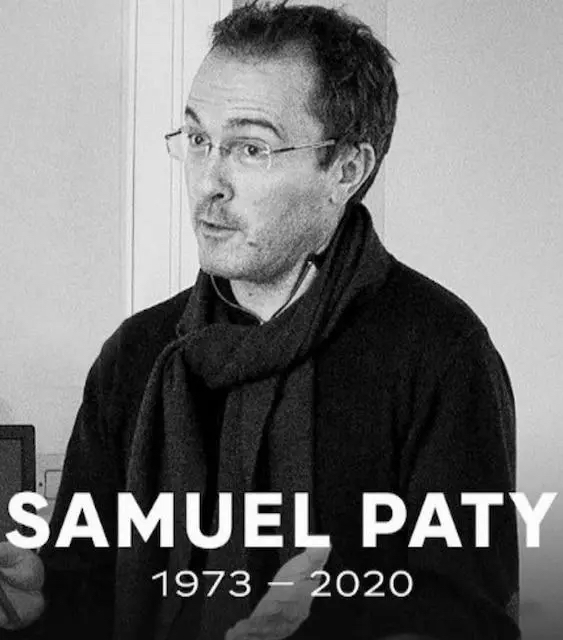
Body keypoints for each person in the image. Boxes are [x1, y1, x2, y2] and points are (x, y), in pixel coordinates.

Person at [0, 2, 520, 639]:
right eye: (197, 140)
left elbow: (467, 621)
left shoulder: (441, 355)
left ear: (346, 170)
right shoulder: (134, 355)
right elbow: (82, 599)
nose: (208, 183)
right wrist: (37, 605)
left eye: (250, 148)